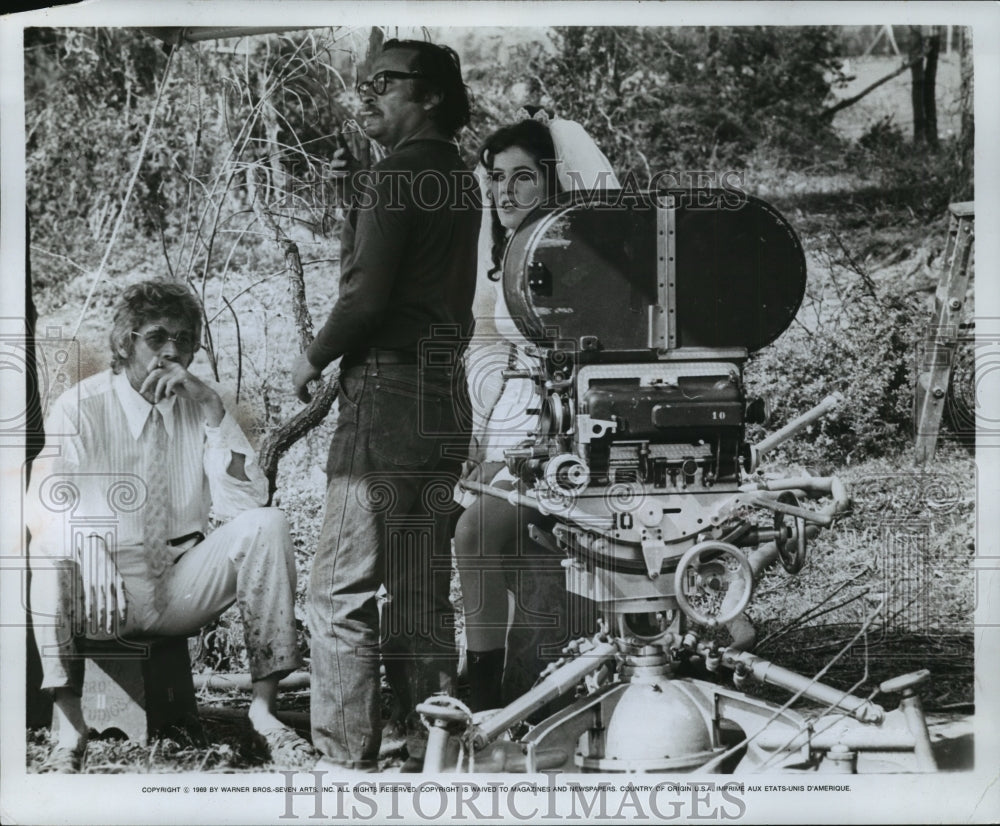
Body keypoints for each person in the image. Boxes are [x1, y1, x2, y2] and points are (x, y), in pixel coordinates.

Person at [25, 280, 312, 772]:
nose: (172, 351)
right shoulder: (81, 405)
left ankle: (264, 714)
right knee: (47, 550)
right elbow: (41, 502)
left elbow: (245, 504)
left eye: (184, 339)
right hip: (102, 590)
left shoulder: (204, 401)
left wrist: (214, 415)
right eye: (157, 337)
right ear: (125, 342)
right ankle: (68, 729)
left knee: (268, 523)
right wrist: (89, 542)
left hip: (180, 584)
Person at [290, 39, 480, 771]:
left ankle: (342, 764)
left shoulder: (395, 176)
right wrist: (354, 203)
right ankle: (426, 750)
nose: (365, 96)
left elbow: (366, 297)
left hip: (389, 390)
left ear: (431, 95)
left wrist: (309, 361)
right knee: (419, 590)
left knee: (339, 590)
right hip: (442, 395)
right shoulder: (455, 178)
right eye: (361, 84)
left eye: (385, 84)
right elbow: (411, 269)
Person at [455, 109, 619, 711]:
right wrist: (481, 427)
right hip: (516, 415)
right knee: (479, 532)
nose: (504, 192)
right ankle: (487, 671)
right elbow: (485, 339)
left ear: (551, 183)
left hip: (583, 418)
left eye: (522, 178)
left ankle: (515, 671)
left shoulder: (582, 251)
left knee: (480, 530)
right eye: (495, 178)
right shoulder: (500, 252)